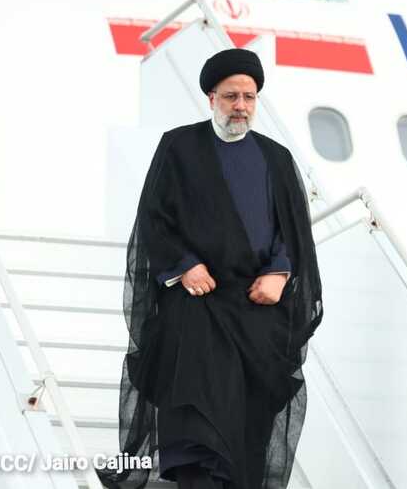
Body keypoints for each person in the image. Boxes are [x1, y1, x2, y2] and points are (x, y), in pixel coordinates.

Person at [96, 48, 324, 489]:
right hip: (196, 305)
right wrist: (184, 266)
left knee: (248, 431)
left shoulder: (276, 158)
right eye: (231, 96)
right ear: (211, 98)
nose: (241, 106)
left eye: (249, 97)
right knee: (197, 425)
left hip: (257, 309)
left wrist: (279, 273)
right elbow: (153, 219)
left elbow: (294, 231)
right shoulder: (179, 146)